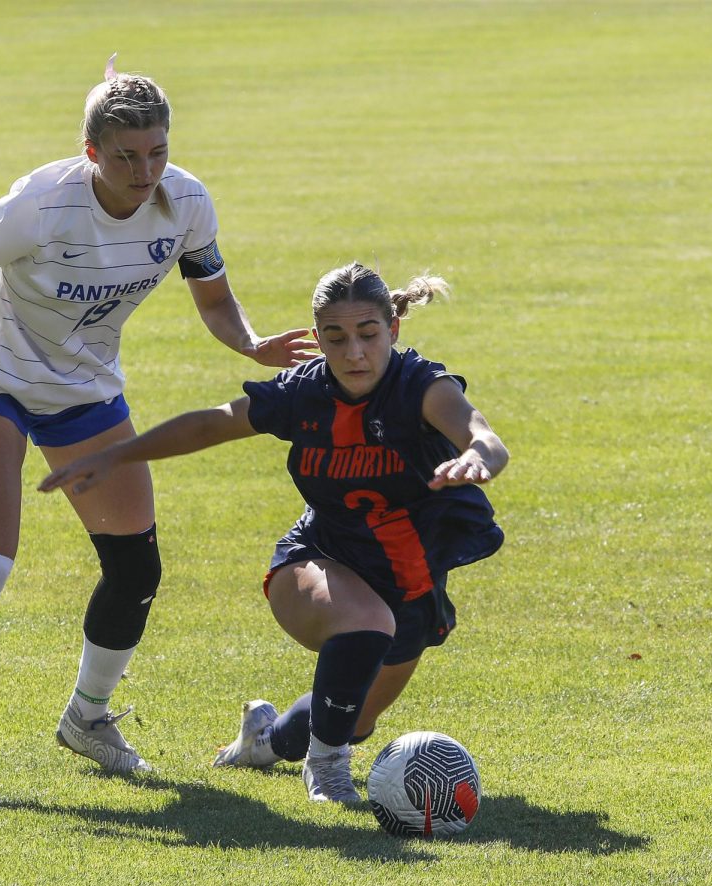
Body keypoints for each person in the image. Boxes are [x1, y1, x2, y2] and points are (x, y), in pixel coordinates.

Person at [0, 56, 317, 797]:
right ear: (92, 154)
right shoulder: (39, 206)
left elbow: (213, 299)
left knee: (135, 566)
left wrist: (249, 343)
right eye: (125, 156)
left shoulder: (186, 203)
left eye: (158, 151)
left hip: (83, 388)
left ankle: (87, 717)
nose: (145, 171)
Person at [39, 261, 508, 802]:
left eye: (368, 335)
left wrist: (478, 457)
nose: (354, 352)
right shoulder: (304, 394)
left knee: (350, 716)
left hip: (410, 579)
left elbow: (484, 434)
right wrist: (119, 453)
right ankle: (327, 773)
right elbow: (213, 422)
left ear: (393, 330)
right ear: (318, 339)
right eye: (336, 338)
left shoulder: (422, 387)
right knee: (364, 629)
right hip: (317, 562)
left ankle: (265, 739)